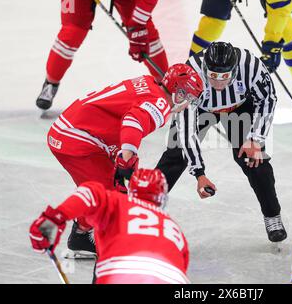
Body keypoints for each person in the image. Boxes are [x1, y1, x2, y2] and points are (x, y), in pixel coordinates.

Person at [46, 63, 203, 257]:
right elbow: (133, 121)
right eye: (189, 97)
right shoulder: (161, 104)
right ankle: (93, 238)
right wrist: (127, 157)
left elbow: (120, 115)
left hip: (75, 130)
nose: (189, 104)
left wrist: (121, 156)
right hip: (76, 139)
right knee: (109, 197)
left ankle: (82, 234)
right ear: (179, 93)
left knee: (113, 190)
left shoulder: (148, 83)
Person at [156, 41, 287, 243]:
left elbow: (267, 99)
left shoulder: (251, 66)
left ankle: (272, 215)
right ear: (205, 70)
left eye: (224, 77)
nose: (218, 84)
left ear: (234, 71)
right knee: (175, 153)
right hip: (201, 107)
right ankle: (144, 208)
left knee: (254, 160)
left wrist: (256, 139)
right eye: (213, 77)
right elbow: (186, 133)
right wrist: (199, 173)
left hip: (240, 107)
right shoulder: (191, 74)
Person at [29, 168, 190, 284]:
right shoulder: (175, 229)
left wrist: (55, 218)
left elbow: (89, 193)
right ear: (162, 198)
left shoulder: (118, 202)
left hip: (119, 273)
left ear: (132, 191)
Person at [189, 0, 292, 116]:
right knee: (210, 26)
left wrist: (272, 45)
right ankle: (190, 77)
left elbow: (280, 10)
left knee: (287, 32)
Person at [36, 0, 168, 111]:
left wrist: (138, 24)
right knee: (71, 34)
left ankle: (166, 85)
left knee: (147, 37)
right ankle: (51, 83)